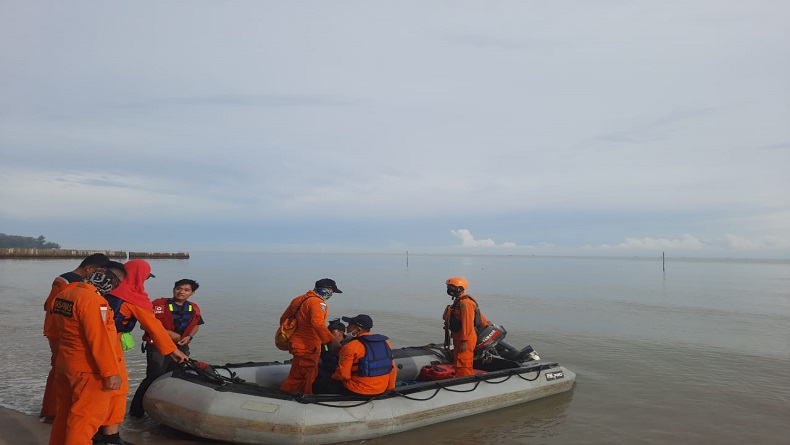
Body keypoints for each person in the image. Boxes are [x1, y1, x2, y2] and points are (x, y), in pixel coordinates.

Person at [96, 260, 189, 445]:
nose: (145, 281)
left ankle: (96, 431)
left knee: (97, 389)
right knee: (118, 390)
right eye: (145, 277)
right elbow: (154, 327)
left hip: (91, 344)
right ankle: (110, 438)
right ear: (138, 276)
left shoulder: (102, 291)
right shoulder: (134, 298)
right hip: (110, 345)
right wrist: (173, 350)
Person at [47, 264, 125, 445]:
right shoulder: (94, 301)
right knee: (84, 420)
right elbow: (99, 339)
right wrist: (111, 372)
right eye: (118, 283)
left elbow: (54, 330)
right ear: (109, 280)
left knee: (64, 416)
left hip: (65, 364)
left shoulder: (65, 295)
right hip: (88, 371)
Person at [41, 253, 112, 422]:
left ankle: (50, 410)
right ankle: (56, 412)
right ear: (89, 269)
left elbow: (48, 305)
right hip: (64, 333)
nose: (99, 278)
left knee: (57, 371)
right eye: (98, 273)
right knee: (64, 374)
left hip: (53, 329)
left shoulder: (61, 278)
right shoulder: (76, 285)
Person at [129, 278, 204, 418]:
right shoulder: (158, 304)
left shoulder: (193, 308)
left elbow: (196, 324)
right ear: (173, 289)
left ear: (192, 293)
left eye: (186, 290)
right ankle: (136, 412)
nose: (181, 292)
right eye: (179, 288)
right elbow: (144, 325)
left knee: (175, 378)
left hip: (181, 347)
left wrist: (189, 337)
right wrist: (169, 334)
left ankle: (164, 410)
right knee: (153, 377)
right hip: (157, 347)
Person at [279, 278, 343, 394]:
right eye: (332, 291)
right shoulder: (318, 303)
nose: (331, 294)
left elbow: (283, 320)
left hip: (296, 343)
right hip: (308, 346)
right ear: (327, 289)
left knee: (302, 375)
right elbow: (317, 323)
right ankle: (287, 398)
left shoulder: (298, 300)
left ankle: (302, 396)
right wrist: (332, 340)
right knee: (301, 377)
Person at [315, 314, 396, 396]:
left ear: (358, 329)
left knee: (319, 382)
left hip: (357, 390)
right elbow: (392, 369)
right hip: (381, 388)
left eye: (350, 325)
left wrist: (332, 376)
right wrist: (390, 389)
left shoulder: (350, 347)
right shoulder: (386, 343)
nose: (347, 328)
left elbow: (343, 375)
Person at [442, 277, 491, 377]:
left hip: (465, 338)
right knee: (457, 361)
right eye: (448, 287)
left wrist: (464, 341)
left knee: (463, 362)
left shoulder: (466, 303)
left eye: (451, 287)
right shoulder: (458, 301)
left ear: (460, 288)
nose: (449, 289)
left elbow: (467, 323)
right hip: (458, 335)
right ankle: (458, 377)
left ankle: (465, 380)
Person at [311, 319, 347, 393]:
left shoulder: (349, 345)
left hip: (339, 373)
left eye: (332, 332)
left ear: (341, 332)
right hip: (326, 369)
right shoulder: (325, 343)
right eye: (328, 332)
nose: (329, 335)